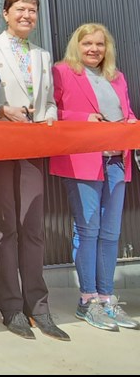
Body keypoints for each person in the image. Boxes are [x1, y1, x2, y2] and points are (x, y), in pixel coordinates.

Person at [0, 0, 69, 341]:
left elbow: (49, 102)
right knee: (5, 227)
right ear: (6, 13)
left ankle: (40, 306)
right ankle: (11, 307)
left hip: (34, 146)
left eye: (32, 11)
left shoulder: (42, 55)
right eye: (20, 9)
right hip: (1, 143)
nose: (27, 16)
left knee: (32, 226)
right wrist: (2, 110)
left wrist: (48, 118)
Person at [49, 23, 138, 331]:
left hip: (116, 161)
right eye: (87, 43)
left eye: (99, 44)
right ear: (77, 45)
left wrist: (131, 122)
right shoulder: (62, 72)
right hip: (82, 162)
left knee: (111, 233)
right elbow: (50, 113)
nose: (93, 49)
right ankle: (87, 301)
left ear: (106, 48)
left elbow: (126, 113)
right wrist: (82, 119)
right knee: (88, 230)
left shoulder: (117, 77)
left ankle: (107, 298)